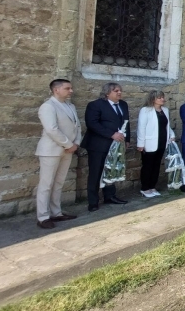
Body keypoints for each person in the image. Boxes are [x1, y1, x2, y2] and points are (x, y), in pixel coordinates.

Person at [34, 79, 81, 229]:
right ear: (56, 90)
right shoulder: (48, 106)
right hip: (51, 150)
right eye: (68, 88)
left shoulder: (70, 105)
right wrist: (69, 144)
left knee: (59, 183)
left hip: (68, 150)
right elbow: (52, 129)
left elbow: (77, 126)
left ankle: (56, 212)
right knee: (46, 184)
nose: (71, 91)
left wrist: (76, 144)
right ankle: (43, 216)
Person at [81, 83, 130, 211]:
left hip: (116, 145)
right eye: (116, 91)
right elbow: (92, 123)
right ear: (107, 93)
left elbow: (126, 122)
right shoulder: (95, 105)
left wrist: (127, 139)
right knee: (96, 172)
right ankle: (93, 201)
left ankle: (110, 196)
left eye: (120, 90)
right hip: (99, 145)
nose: (119, 93)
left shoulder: (123, 105)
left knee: (111, 170)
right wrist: (111, 134)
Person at [136, 90, 176, 198]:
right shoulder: (145, 110)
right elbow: (141, 128)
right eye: (159, 98)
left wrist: (171, 135)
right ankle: (145, 188)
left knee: (157, 165)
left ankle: (152, 186)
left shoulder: (165, 110)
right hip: (149, 142)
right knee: (148, 166)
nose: (162, 99)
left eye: (162, 97)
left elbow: (167, 125)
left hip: (162, 142)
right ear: (153, 99)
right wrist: (140, 144)